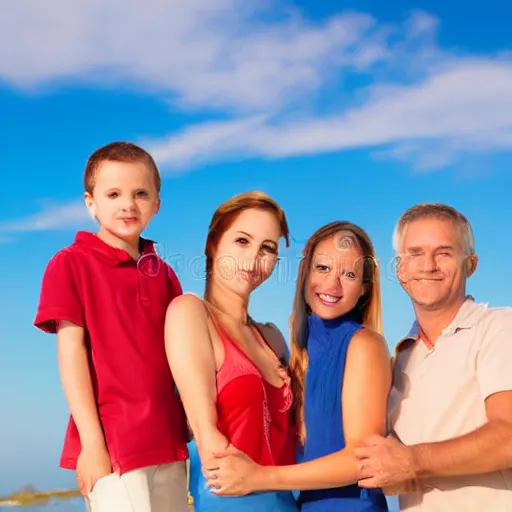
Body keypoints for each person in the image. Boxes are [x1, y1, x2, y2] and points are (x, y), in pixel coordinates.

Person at [33, 142, 189, 512]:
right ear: (91, 203)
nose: (128, 204)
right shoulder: (70, 264)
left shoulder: (164, 274)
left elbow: (182, 357)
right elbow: (71, 355)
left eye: (140, 193)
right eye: (114, 194)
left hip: (169, 441)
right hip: (114, 445)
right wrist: (92, 444)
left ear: (157, 204)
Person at [203, 221, 392, 511]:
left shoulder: (364, 345)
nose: (332, 285)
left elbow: (362, 458)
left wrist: (259, 477)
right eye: (323, 268)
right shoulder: (295, 353)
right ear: (305, 273)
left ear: (364, 289)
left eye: (349, 274)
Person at [355, 203, 512, 511]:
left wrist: (413, 462)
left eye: (443, 253)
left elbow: (509, 435)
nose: (428, 265)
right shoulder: (398, 360)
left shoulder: (499, 328)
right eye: (415, 253)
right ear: (400, 270)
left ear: (471, 264)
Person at [164, 191, 299, 511]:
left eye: (267, 248)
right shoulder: (190, 313)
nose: (253, 260)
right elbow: (206, 436)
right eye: (242, 241)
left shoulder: (273, 338)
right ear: (213, 244)